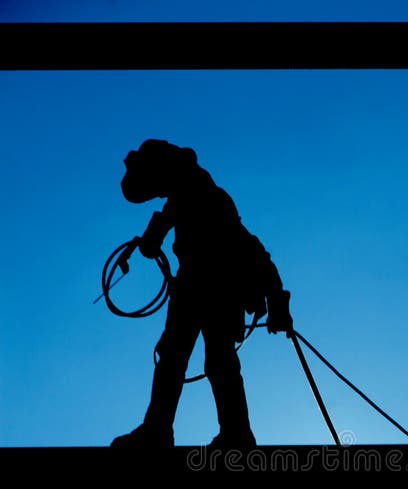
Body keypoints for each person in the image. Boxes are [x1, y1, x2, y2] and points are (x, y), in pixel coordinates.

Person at [110, 138, 292, 451]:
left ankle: (232, 434)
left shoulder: (208, 200)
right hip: (192, 289)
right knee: (175, 358)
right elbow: (161, 223)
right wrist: (153, 239)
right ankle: (161, 430)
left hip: (218, 290)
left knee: (215, 361)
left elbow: (250, 248)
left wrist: (277, 300)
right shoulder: (185, 198)